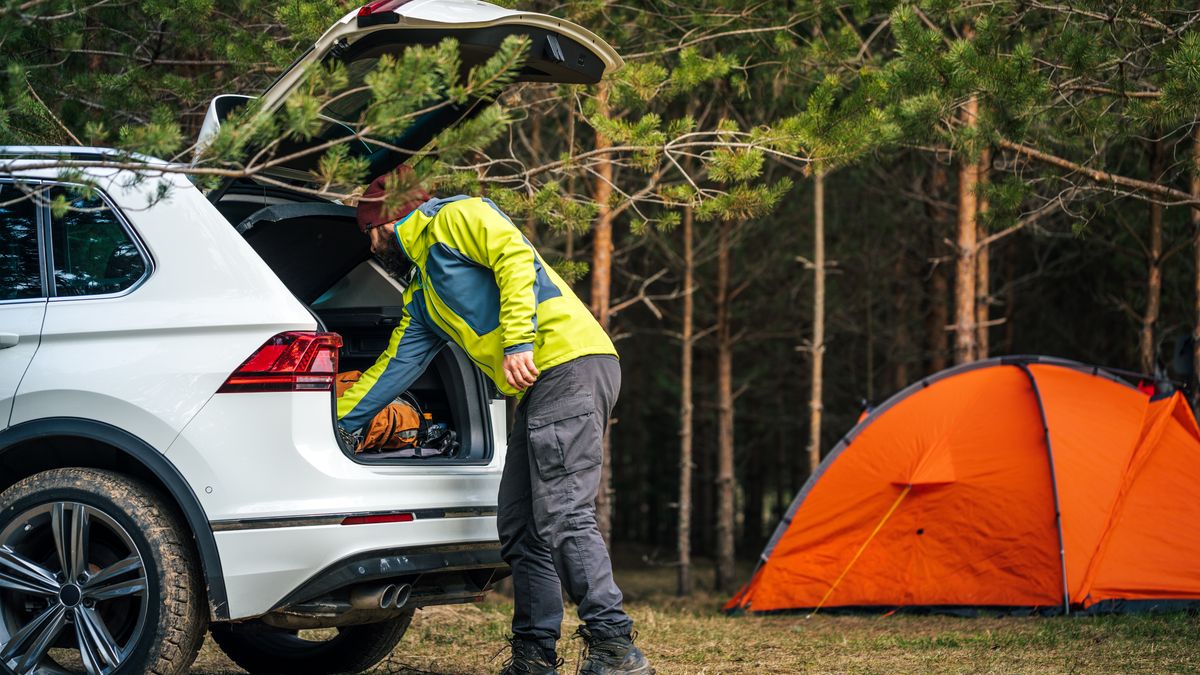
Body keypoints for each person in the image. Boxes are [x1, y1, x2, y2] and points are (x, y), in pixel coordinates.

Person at [338, 167, 653, 675]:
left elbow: (514, 258)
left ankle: (616, 648)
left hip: (566, 363)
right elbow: (395, 366)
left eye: (369, 236)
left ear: (386, 222)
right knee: (521, 525)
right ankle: (534, 655)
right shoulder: (423, 296)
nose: (372, 249)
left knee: (564, 514)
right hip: (541, 383)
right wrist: (338, 420)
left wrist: (518, 341)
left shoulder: (457, 216)